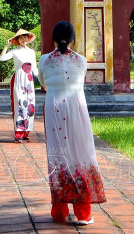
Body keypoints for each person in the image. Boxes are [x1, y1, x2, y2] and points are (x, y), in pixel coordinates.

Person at [37, 20, 105, 227]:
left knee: (57, 156)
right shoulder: (81, 60)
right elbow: (80, 80)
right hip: (77, 110)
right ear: (73, 39)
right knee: (81, 154)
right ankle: (84, 213)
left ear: (53, 39)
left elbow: (43, 83)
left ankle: (59, 211)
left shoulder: (44, 60)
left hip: (54, 109)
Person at [0, 28, 38, 142]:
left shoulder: (32, 52)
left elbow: (34, 68)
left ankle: (26, 132)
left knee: (30, 105)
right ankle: (18, 133)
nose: (23, 39)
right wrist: (7, 46)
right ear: (17, 40)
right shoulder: (14, 51)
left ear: (28, 38)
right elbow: (2, 58)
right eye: (21, 37)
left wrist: (43, 81)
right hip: (18, 80)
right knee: (19, 105)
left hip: (29, 81)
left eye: (25, 37)